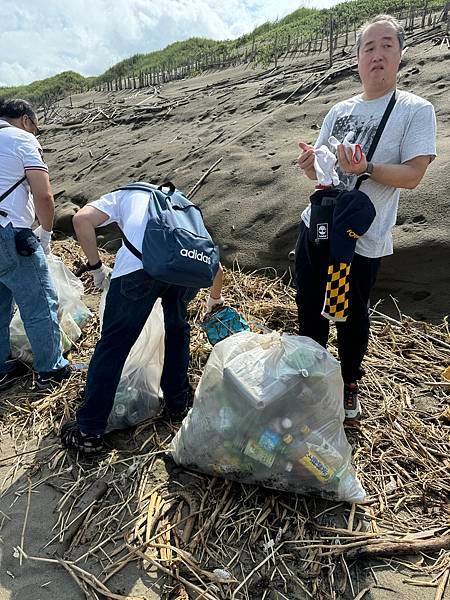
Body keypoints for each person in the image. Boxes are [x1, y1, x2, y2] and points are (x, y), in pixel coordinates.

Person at [296, 14, 436, 424]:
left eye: (386, 46)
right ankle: (313, 376)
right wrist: (309, 163)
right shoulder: (339, 109)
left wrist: (367, 168)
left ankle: (349, 381)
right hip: (317, 225)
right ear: (357, 58)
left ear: (400, 55)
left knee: (350, 312)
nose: (377, 55)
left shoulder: (415, 109)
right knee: (309, 305)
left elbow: (413, 176)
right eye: (368, 48)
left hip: (360, 236)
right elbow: (318, 171)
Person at [60, 183, 224, 453]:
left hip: (138, 272)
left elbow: (81, 220)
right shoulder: (184, 205)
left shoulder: (123, 194)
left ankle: (89, 430)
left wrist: (96, 268)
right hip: (184, 273)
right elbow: (214, 264)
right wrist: (214, 300)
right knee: (177, 331)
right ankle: (176, 402)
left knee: (114, 344)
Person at [0, 98, 71, 391]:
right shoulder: (21, 140)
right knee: (40, 302)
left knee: (1, 304)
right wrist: (45, 235)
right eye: (36, 128)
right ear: (26, 120)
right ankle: (50, 370)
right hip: (10, 233)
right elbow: (43, 195)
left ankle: (2, 367)